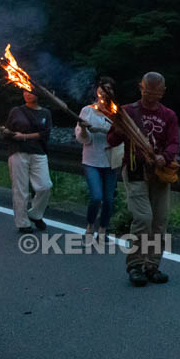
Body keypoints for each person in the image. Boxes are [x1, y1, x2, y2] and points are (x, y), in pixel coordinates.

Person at [108, 72, 179, 287]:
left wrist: (163, 157)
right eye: (148, 91)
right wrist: (119, 130)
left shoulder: (169, 115)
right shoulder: (128, 112)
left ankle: (152, 265)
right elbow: (111, 140)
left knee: (159, 221)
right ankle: (135, 265)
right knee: (143, 218)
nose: (152, 96)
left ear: (163, 92)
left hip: (160, 172)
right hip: (135, 170)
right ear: (141, 88)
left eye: (157, 92)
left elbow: (174, 143)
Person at [74, 76, 124, 243]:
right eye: (101, 90)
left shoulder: (117, 112)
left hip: (111, 160)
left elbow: (121, 134)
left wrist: (102, 130)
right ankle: (90, 226)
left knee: (109, 199)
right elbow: (83, 139)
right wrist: (83, 129)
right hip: (91, 160)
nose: (103, 94)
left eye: (108, 90)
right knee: (96, 196)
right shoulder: (87, 111)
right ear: (97, 91)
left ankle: (103, 229)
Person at [4, 90, 53, 233]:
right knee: (20, 189)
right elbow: (7, 132)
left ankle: (35, 214)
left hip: (38, 152)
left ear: (38, 95)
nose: (27, 94)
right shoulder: (16, 111)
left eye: (31, 92)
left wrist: (24, 136)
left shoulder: (45, 113)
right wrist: (9, 134)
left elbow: (45, 134)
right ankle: (22, 222)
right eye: (25, 91)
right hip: (18, 152)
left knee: (45, 186)